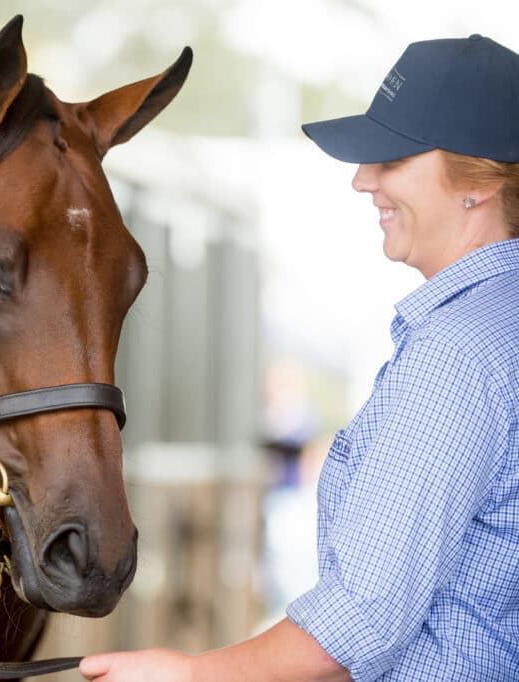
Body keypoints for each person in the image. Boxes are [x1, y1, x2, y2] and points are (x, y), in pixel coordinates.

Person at [80, 34, 519, 681]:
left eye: (392, 158)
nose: (363, 179)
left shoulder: (456, 353)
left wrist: (189, 674)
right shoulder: (499, 321)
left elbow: (360, 622)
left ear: (475, 182)